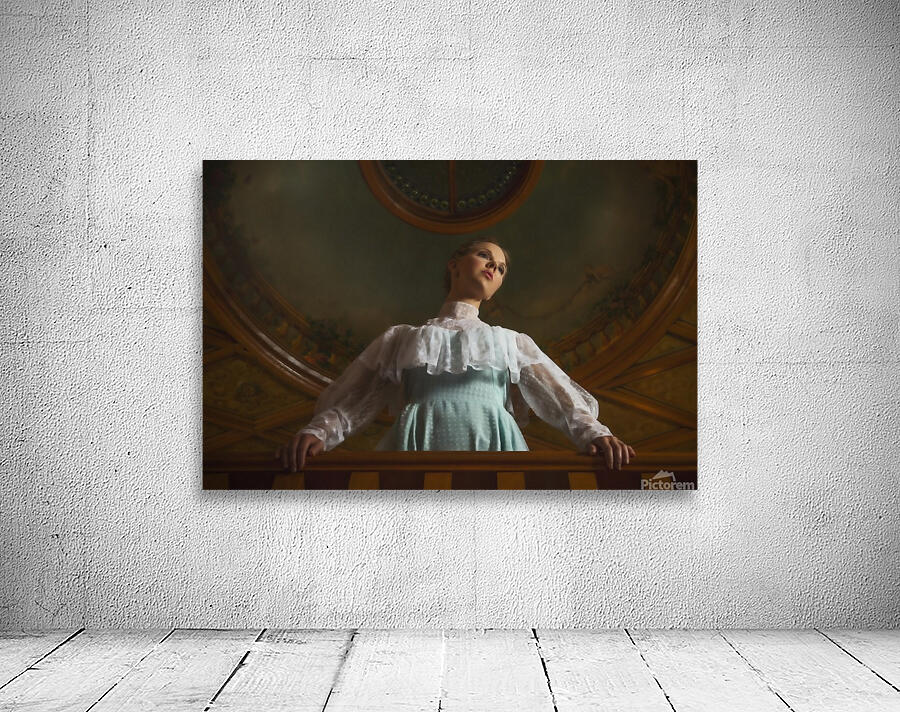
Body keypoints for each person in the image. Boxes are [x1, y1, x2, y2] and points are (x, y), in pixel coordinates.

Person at [276, 238, 636, 473]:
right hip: (418, 441)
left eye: (501, 268)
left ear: (496, 289)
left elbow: (562, 400)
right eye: (484, 255)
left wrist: (597, 435)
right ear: (454, 264)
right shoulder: (400, 338)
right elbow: (356, 399)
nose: (494, 266)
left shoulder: (512, 342)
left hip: (495, 442)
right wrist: (318, 432)